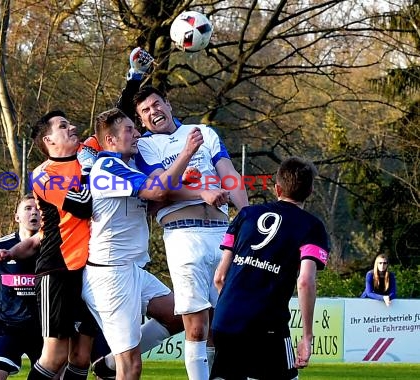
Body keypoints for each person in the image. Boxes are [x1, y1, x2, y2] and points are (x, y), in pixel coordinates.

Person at [132, 84, 249, 379]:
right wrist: (203, 193)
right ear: (141, 121)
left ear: (168, 105)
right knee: (196, 326)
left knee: (224, 324)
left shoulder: (203, 132)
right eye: (144, 111)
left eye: (156, 104)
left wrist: (246, 217)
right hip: (183, 236)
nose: (152, 112)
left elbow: (229, 174)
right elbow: (159, 191)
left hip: (223, 233)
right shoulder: (144, 146)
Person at [83, 108, 200, 379]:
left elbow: (152, 202)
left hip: (132, 269)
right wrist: (186, 154)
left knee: (177, 315)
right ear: (110, 141)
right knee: (132, 366)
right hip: (110, 276)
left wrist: (185, 183)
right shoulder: (107, 166)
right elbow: (157, 190)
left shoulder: (129, 166)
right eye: (128, 130)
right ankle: (119, 363)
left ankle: (109, 364)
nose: (137, 133)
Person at [0, 110, 98, 380]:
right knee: (55, 357)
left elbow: (114, 124)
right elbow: (83, 206)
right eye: (63, 126)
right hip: (59, 270)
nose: (73, 127)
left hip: (90, 270)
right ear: (49, 140)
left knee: (81, 356)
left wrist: (133, 78)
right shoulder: (44, 174)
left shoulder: (86, 150)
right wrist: (88, 168)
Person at [210, 157, 330, 380]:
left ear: (277, 188)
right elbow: (304, 281)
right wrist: (307, 336)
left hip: (226, 320)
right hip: (267, 326)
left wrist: (235, 307)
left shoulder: (245, 215)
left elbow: (220, 277)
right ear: (310, 191)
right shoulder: (312, 227)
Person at [0, 193, 43, 379]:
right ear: (17, 217)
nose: (34, 212)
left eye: (38, 209)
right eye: (28, 208)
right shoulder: (0, 246)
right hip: (7, 327)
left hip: (44, 329)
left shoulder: (53, 246)